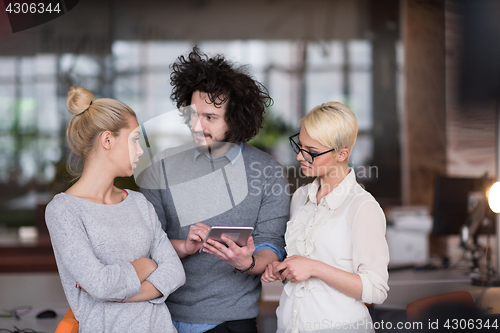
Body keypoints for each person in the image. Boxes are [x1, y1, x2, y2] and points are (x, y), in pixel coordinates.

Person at [139, 47, 289, 333]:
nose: (197, 126)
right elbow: (146, 244)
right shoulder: (162, 168)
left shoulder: (267, 172)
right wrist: (184, 247)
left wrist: (249, 262)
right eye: (193, 114)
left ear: (235, 118)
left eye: (209, 117)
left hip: (232, 321)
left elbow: (271, 245)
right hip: (160, 315)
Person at [45, 86, 185, 333]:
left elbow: (175, 272)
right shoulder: (63, 211)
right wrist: (147, 264)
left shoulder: (139, 203)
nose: (140, 150)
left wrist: (120, 295)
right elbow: (100, 284)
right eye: (134, 140)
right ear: (108, 140)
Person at [261, 102, 390, 333]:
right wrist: (283, 269)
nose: (300, 155)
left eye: (311, 151)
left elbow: (376, 289)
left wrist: (315, 268)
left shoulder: (362, 206)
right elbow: (303, 271)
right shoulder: (300, 196)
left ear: (343, 154)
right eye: (299, 146)